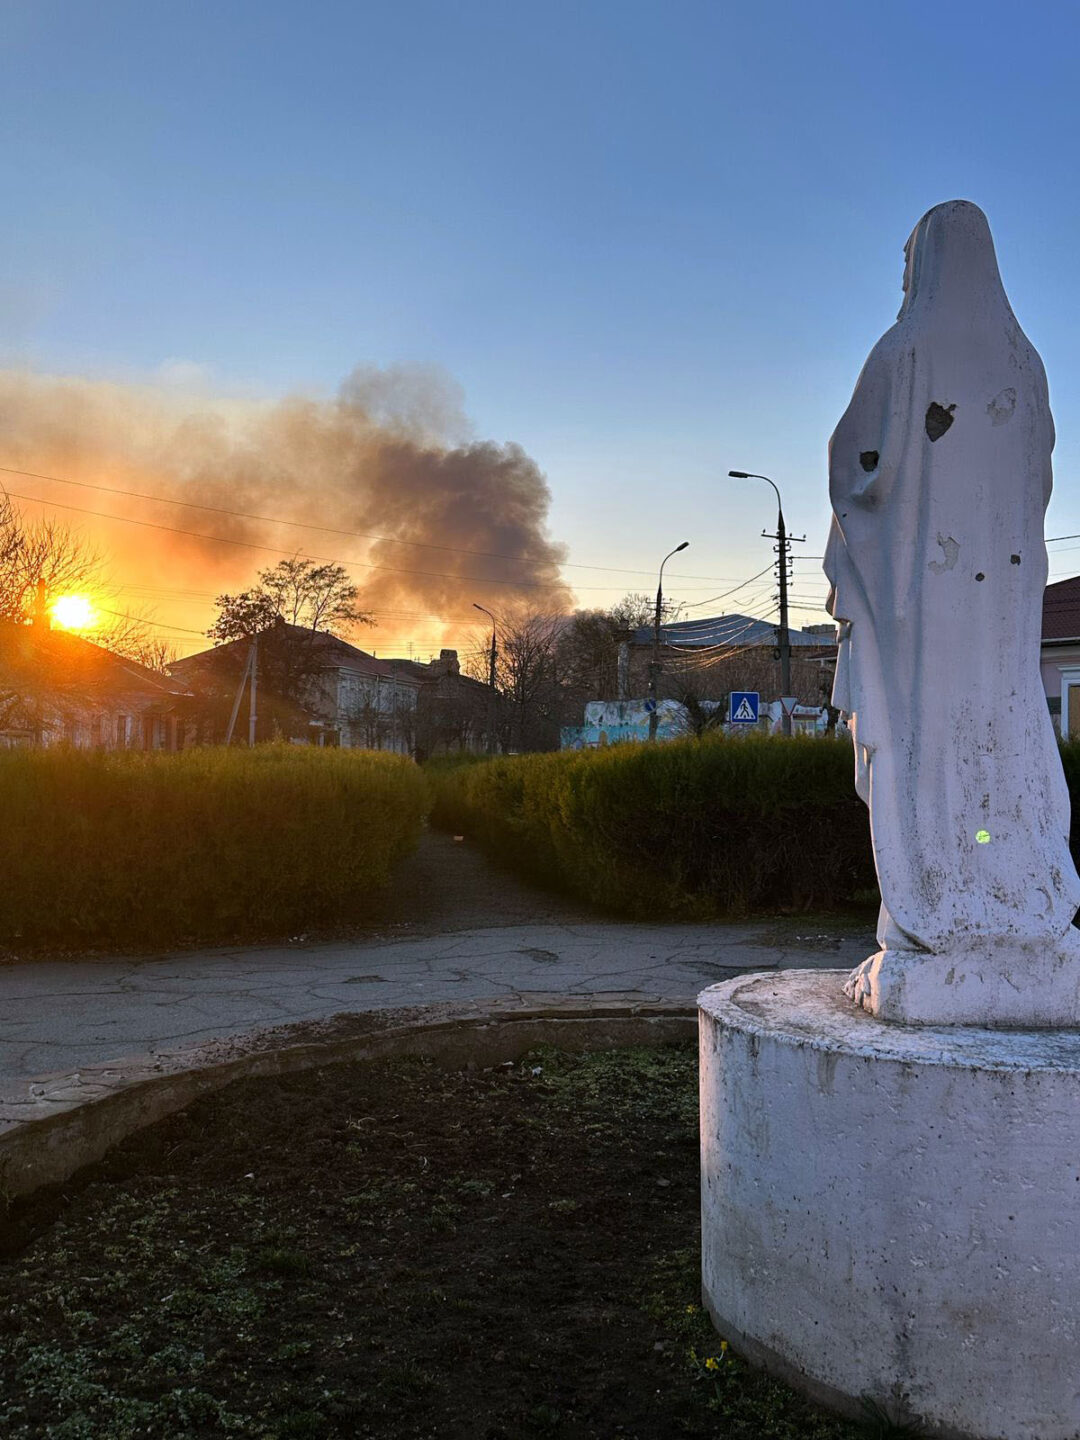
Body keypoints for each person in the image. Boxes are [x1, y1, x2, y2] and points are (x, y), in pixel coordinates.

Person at [824, 200, 1080, 1018]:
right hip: (1000, 614)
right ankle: (1018, 899)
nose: (903, 279)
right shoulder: (1025, 363)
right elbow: (1038, 481)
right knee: (1003, 739)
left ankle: (927, 909)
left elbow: (854, 468)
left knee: (918, 746)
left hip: (919, 620)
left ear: (928, 260)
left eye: (907, 262)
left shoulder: (902, 351)